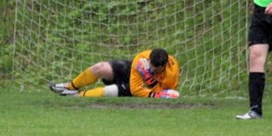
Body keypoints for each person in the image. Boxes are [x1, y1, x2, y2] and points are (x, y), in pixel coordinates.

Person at [49, 48, 180, 98]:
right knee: (100, 68)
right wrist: (144, 71)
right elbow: (135, 76)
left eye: (155, 70)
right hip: (133, 75)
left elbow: (162, 94)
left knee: (109, 91)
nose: (152, 70)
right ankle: (69, 86)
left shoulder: (171, 75)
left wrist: (149, 79)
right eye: (150, 67)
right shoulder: (142, 58)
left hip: (145, 88)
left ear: (164, 66)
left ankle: (76, 96)